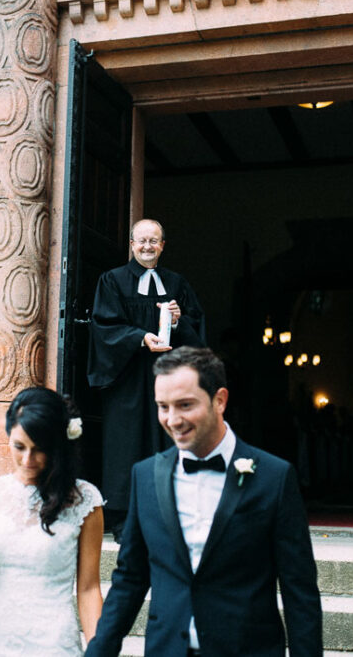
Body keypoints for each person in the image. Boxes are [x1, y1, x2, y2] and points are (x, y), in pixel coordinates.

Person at [85, 347, 322, 657]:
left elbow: (299, 591)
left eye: (185, 405)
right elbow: (130, 578)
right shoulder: (145, 477)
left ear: (219, 400)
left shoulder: (274, 478)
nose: (172, 420)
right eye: (163, 407)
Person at [0, 388, 105, 656]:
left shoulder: (85, 501)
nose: (27, 460)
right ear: (8, 437)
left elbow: (89, 588)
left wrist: (99, 648)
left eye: (39, 450)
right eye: (19, 447)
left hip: (52, 641)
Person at [88, 219, 205, 540]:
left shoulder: (177, 284)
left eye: (154, 241)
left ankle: (167, 515)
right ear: (131, 244)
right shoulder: (111, 281)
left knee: (167, 441)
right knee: (126, 446)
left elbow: (196, 329)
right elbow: (104, 326)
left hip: (167, 378)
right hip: (127, 379)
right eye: (142, 241)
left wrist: (179, 321)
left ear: (163, 245)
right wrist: (140, 338)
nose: (147, 246)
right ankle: (125, 519)